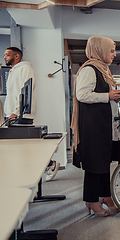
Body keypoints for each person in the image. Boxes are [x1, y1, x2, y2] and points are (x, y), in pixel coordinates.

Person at [71, 36, 120, 217]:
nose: (114, 54)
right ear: (99, 50)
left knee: (103, 163)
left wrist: (112, 98)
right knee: (94, 165)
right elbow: (82, 95)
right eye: (111, 50)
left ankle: (105, 196)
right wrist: (108, 96)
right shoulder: (90, 69)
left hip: (104, 125)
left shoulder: (103, 70)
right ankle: (91, 200)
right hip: (94, 127)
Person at [3, 47, 60, 181]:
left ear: (17, 56)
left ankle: (50, 164)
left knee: (26, 148)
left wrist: (16, 112)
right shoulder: (12, 71)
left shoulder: (25, 69)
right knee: (21, 149)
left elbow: (25, 92)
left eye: (7, 55)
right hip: (11, 114)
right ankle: (48, 165)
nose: (4, 57)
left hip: (20, 115)